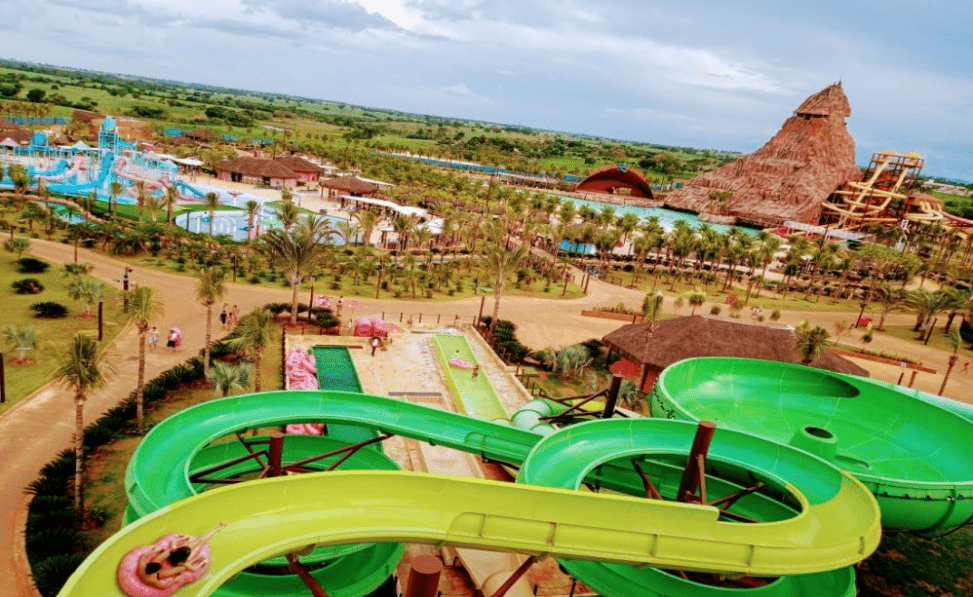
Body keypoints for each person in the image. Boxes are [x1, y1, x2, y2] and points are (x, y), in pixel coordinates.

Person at [136, 524, 226, 590]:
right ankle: (216, 530)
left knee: (198, 544)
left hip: (175, 560)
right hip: (174, 564)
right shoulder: (153, 579)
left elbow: (143, 556)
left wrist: (154, 551)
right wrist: (175, 580)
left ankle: (216, 529)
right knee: (199, 545)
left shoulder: (142, 566)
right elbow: (163, 587)